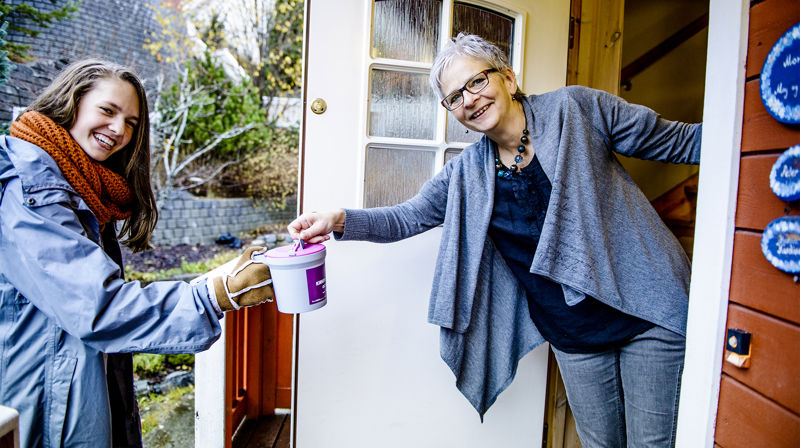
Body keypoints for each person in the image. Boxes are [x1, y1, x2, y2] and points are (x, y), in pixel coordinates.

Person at [288, 33, 701, 447]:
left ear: (508, 77)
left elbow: (679, 141)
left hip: (647, 310)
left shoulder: (577, 109)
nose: (468, 100)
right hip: (574, 332)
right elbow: (406, 217)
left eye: (476, 82)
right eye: (453, 98)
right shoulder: (467, 173)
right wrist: (338, 220)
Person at [0, 59, 274, 448]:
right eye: (107, 111)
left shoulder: (81, 188)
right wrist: (216, 294)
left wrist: (216, 280)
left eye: (131, 122)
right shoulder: (29, 189)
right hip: (43, 410)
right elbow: (98, 305)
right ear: (71, 102)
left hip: (71, 398)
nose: (118, 130)